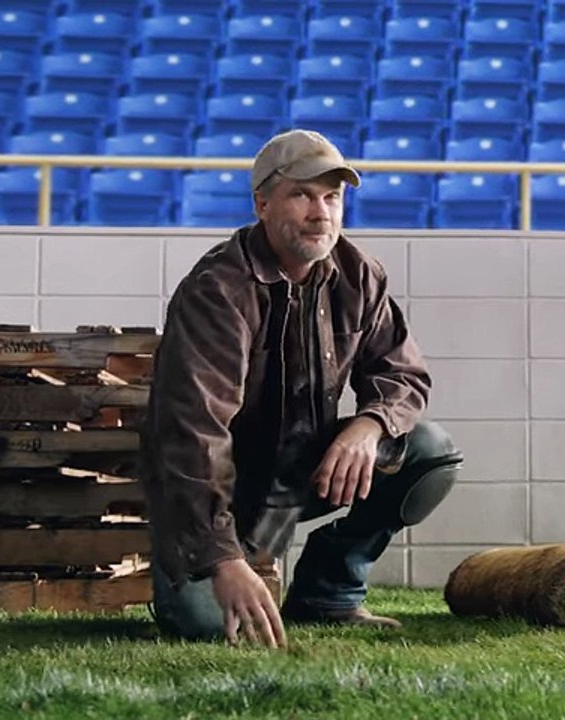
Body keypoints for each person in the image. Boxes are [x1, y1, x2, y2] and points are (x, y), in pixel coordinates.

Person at [140, 129, 464, 648]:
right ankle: (211, 566)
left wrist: (368, 426)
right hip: (226, 492)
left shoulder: (359, 275)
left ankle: (328, 591)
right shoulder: (218, 291)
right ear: (262, 204)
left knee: (428, 450)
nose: (321, 213)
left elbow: (404, 375)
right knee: (208, 627)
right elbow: (192, 434)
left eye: (332, 197)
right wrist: (223, 559)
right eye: (302, 195)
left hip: (302, 472)